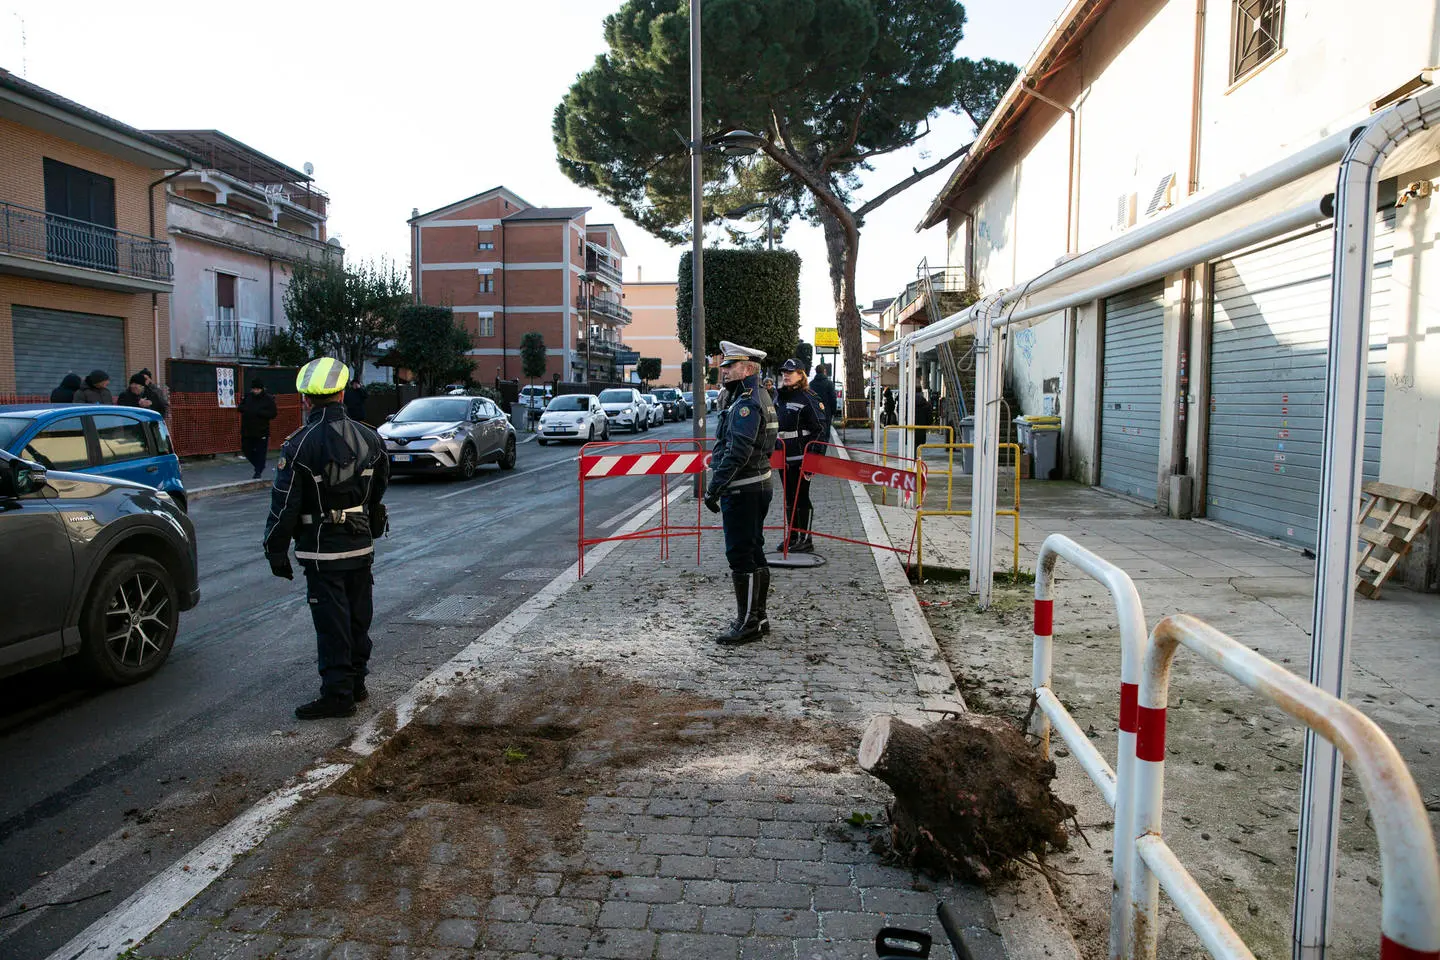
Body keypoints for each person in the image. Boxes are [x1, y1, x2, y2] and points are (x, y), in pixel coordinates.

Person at [264, 357, 390, 719]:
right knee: (357, 616)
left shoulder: (299, 444)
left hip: (321, 549)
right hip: (361, 543)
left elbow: (284, 504)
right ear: (340, 392)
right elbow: (379, 488)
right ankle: (357, 682)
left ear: (306, 398)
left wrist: (275, 550)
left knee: (331, 622)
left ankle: (337, 695)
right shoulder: (370, 436)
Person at [703, 341, 779, 646]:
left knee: (740, 555)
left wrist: (714, 487)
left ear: (747, 368)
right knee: (754, 550)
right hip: (756, 485)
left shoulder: (747, 402)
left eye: (730, 367)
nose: (725, 372)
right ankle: (757, 618)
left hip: (744, 489)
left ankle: (747, 622)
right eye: (724, 367)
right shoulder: (755, 396)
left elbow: (738, 451)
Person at [775, 358, 823, 553]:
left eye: (790, 372)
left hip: (801, 457)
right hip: (783, 456)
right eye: (784, 371)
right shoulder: (780, 397)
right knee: (789, 497)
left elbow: (820, 430)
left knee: (801, 497)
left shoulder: (809, 397)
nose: (785, 375)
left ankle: (806, 539)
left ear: (801, 375)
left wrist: (812, 460)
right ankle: (793, 536)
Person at [238, 379, 279, 479]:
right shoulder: (248, 397)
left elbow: (273, 413)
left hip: (261, 431)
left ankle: (258, 471)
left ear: (261, 389)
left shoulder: (268, 399)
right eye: (254, 389)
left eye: (257, 389)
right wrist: (246, 409)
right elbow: (240, 407)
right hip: (247, 430)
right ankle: (258, 465)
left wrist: (260, 413)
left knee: (261, 452)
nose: (255, 391)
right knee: (246, 449)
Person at [810, 362, 838, 430]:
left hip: (814, 412)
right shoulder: (829, 383)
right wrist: (834, 411)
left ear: (816, 371)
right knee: (826, 432)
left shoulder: (811, 384)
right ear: (824, 371)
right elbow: (833, 399)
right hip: (827, 412)